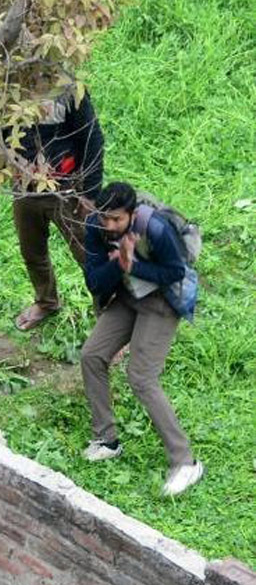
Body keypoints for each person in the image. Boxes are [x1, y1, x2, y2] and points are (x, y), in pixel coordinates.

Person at [80, 181, 203, 497]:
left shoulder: (156, 229)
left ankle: (185, 461)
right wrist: (118, 263)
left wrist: (134, 265)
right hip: (127, 296)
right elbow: (95, 282)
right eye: (104, 218)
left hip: (161, 300)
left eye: (117, 220)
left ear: (132, 215)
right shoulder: (95, 227)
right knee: (92, 355)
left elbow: (175, 272)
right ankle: (106, 440)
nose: (109, 226)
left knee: (141, 377)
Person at [6, 87, 104, 330]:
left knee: (90, 256)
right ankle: (47, 302)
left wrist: (90, 194)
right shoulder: (6, 86)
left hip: (67, 188)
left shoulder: (67, 90)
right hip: (25, 186)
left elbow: (93, 138)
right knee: (32, 251)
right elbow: (0, 135)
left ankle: (110, 323)